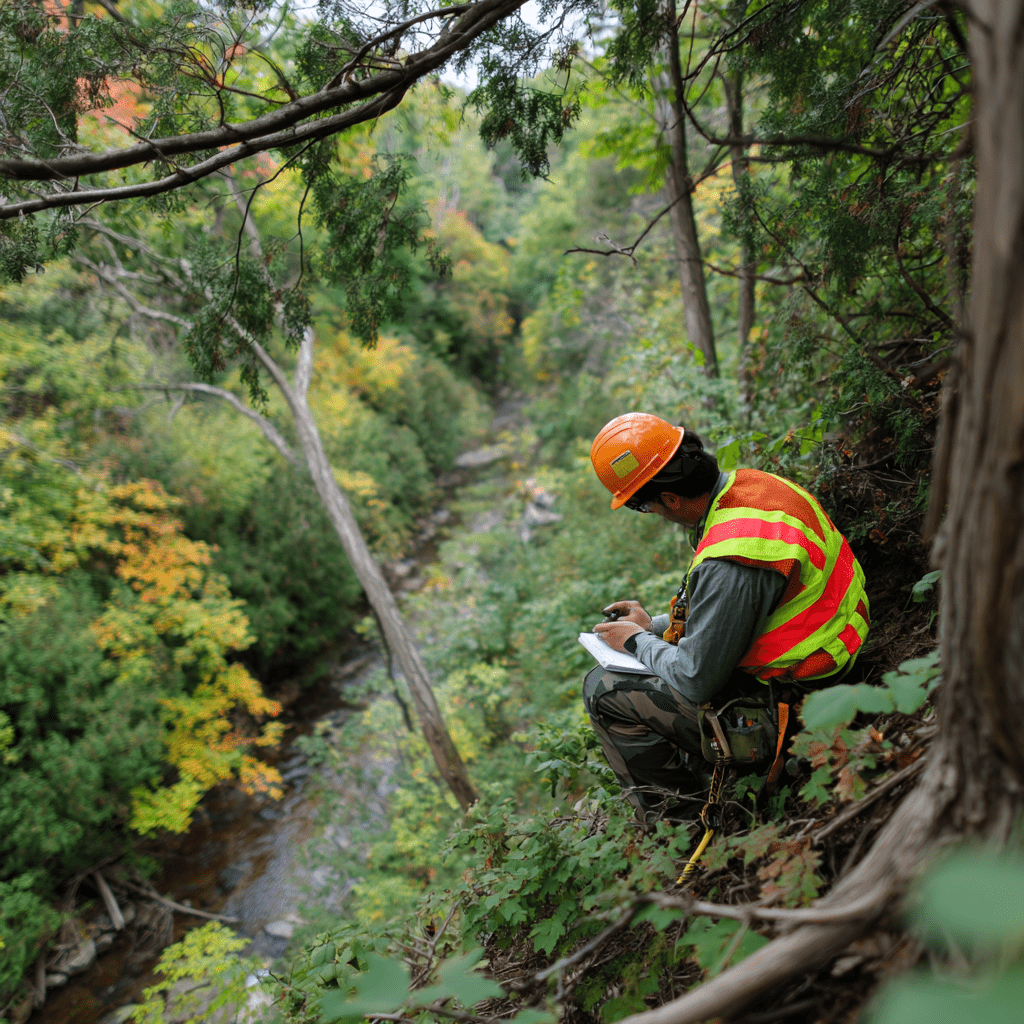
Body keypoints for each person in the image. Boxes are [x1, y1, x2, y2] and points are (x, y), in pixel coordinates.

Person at [584, 412, 870, 823]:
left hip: (799, 706)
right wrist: (654, 627)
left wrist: (634, 643)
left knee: (603, 689)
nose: (652, 513)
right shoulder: (754, 487)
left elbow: (697, 679)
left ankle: (682, 826)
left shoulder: (733, 559)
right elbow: (740, 611)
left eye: (644, 505)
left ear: (670, 498)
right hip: (830, 654)